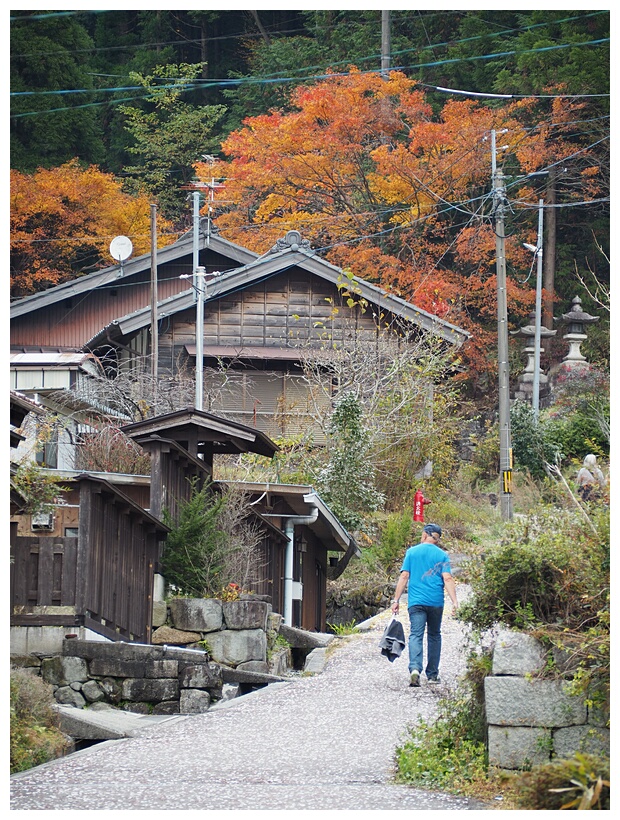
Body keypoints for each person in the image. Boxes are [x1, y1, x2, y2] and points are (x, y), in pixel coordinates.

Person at [390, 522, 458, 687]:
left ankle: (414, 669)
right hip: (436, 602)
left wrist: (396, 600)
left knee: (416, 635)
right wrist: (455, 602)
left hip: (416, 602)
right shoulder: (442, 555)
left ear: (425, 534)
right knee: (434, 635)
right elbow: (447, 578)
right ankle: (433, 675)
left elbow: (404, 576)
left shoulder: (412, 552)